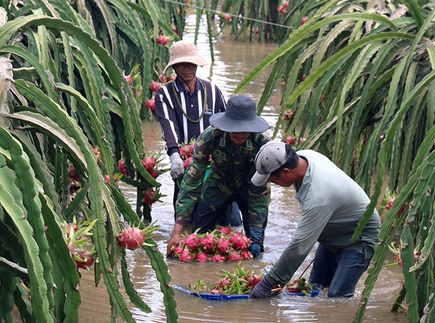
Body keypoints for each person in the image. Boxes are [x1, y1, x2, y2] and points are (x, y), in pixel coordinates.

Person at [248, 141, 381, 298]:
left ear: (285, 172)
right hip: (333, 231)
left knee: (337, 297)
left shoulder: (319, 195)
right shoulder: (306, 157)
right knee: (315, 288)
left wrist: (269, 283)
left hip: (359, 237)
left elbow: (299, 245)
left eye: (271, 179)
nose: (272, 183)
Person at [166, 95, 271, 258]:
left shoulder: (262, 144)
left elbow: (262, 190)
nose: (240, 133)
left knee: (255, 247)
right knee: (198, 236)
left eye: (245, 129)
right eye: (235, 128)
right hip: (217, 185)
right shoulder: (210, 138)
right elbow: (192, 182)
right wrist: (177, 230)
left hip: (251, 188)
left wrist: (256, 234)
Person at [154, 40, 240, 225]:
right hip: (185, 163)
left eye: (191, 63)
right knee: (186, 220)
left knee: (230, 222)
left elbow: (225, 125)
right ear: (174, 67)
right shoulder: (165, 94)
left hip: (215, 163)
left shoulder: (213, 91)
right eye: (182, 64)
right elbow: (168, 126)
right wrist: (175, 155)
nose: (187, 68)